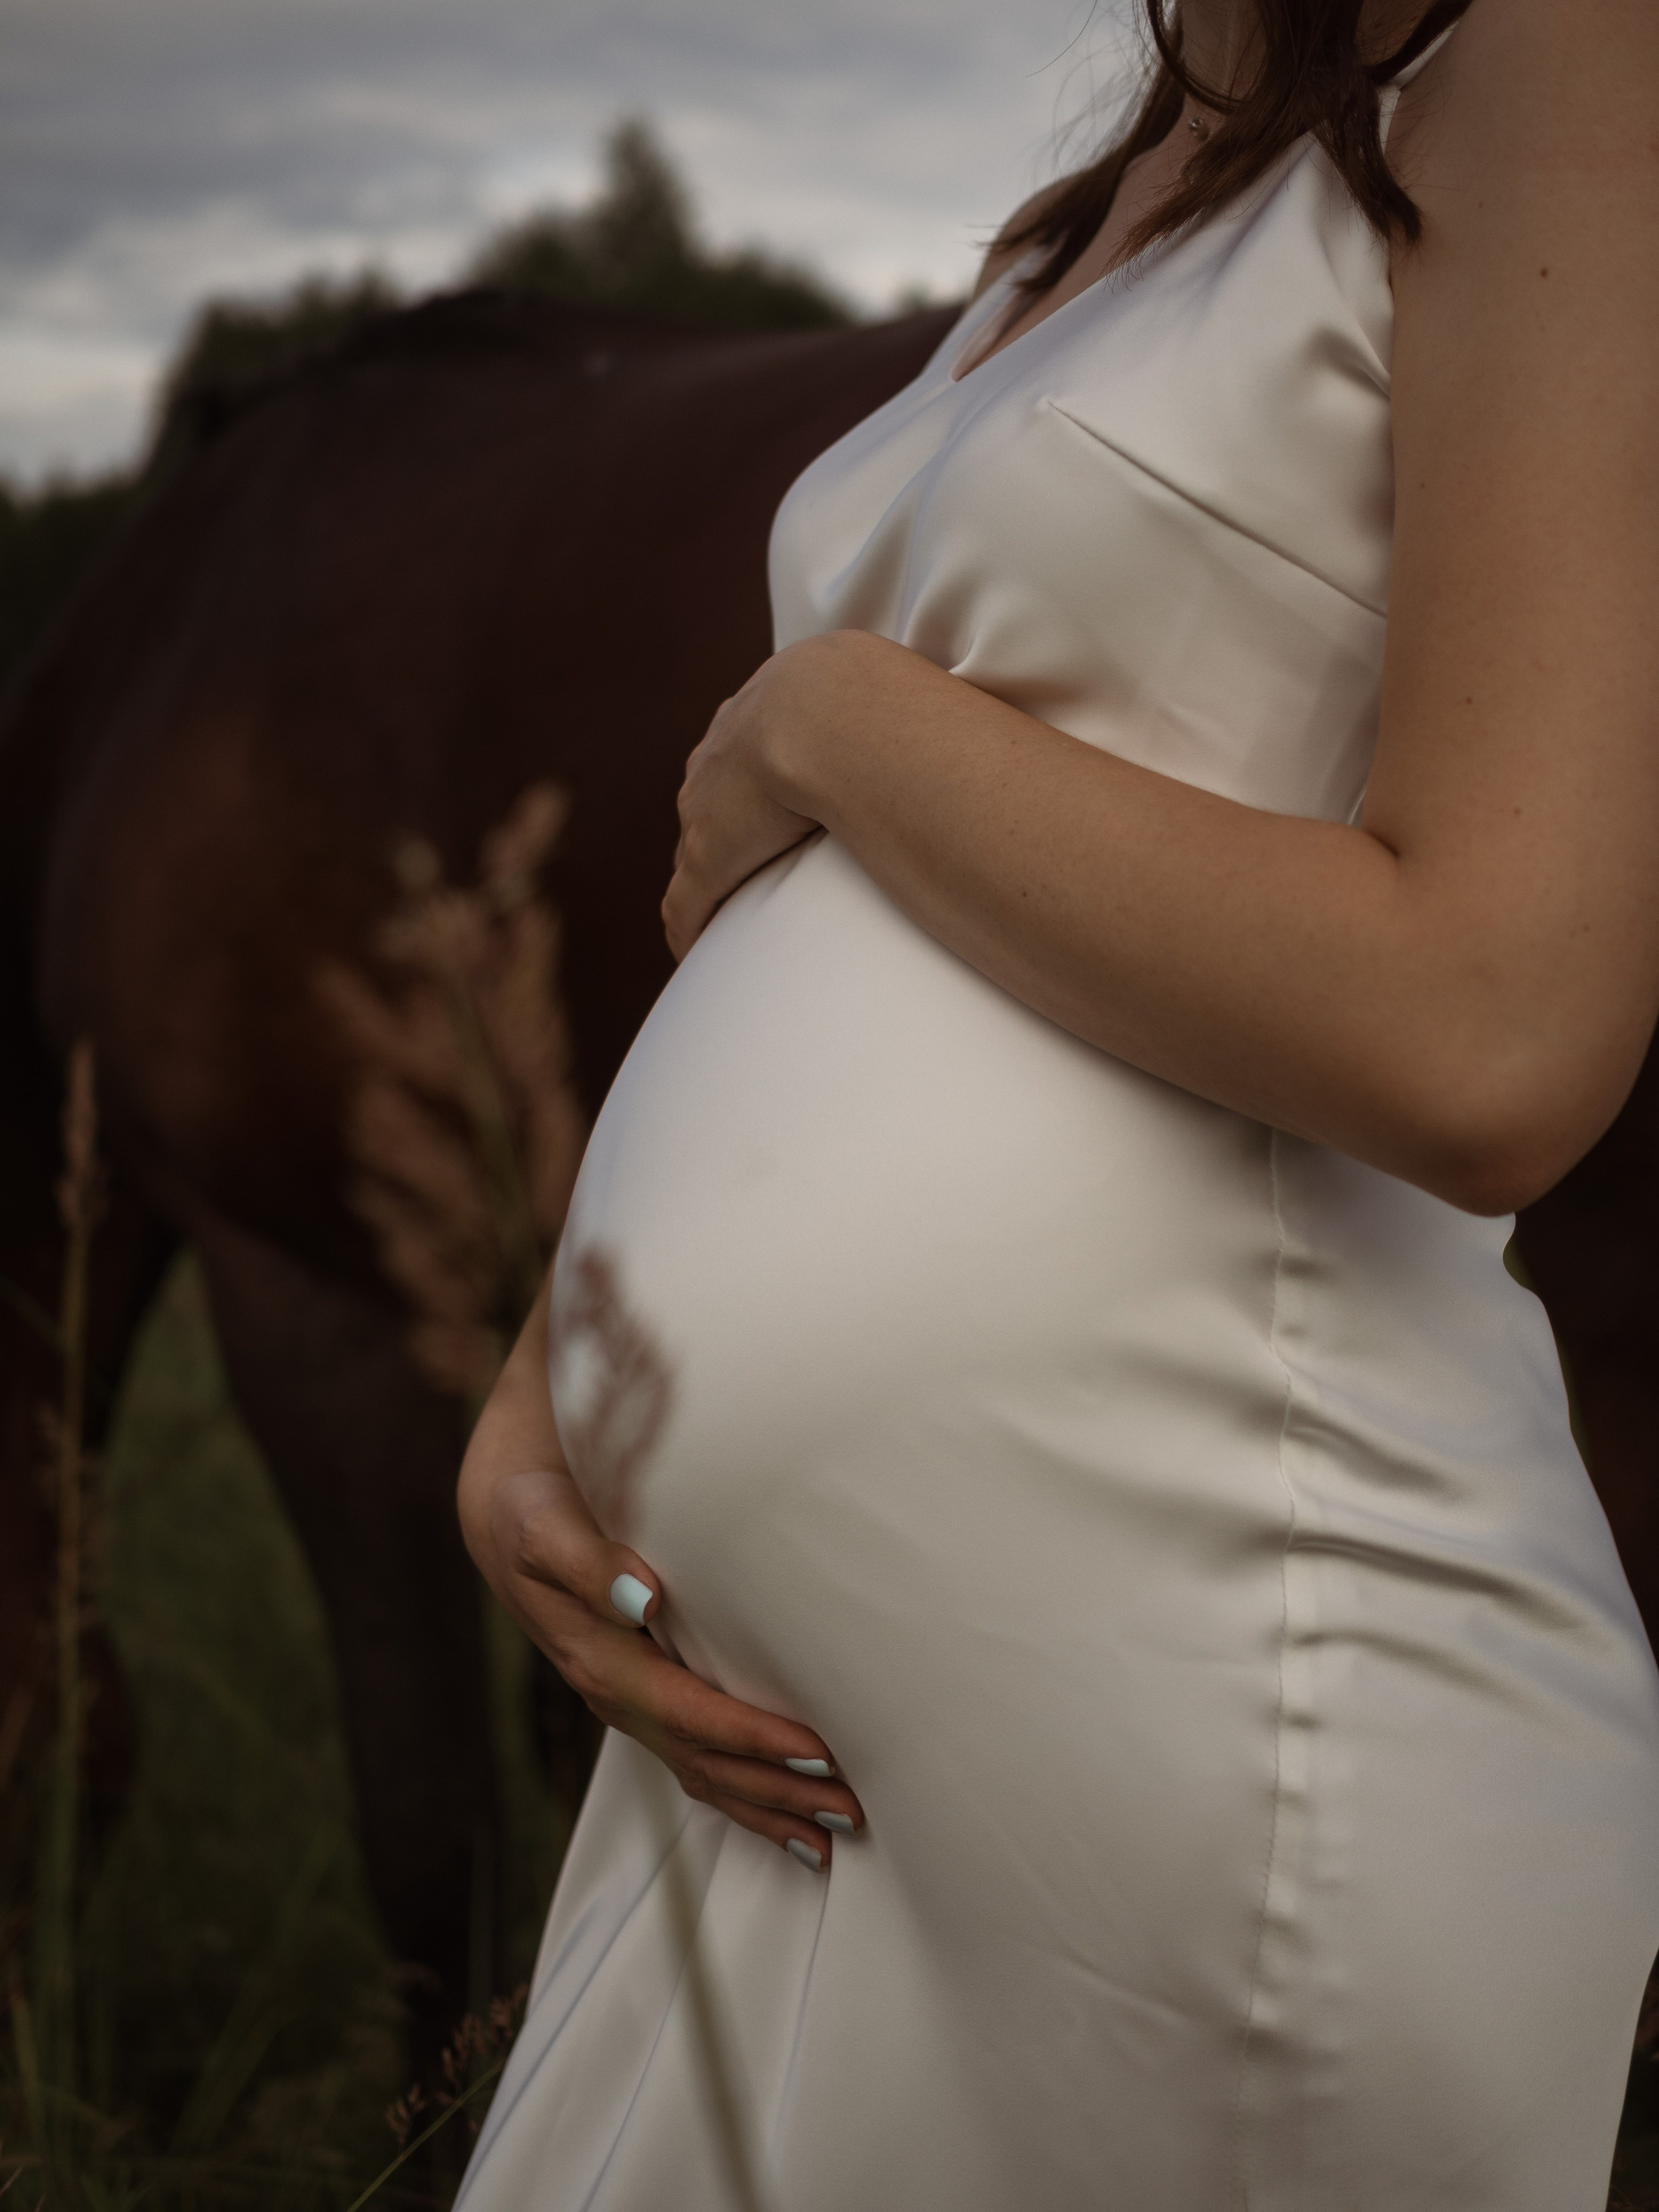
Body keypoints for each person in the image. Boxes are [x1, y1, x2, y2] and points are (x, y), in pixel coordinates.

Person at [454, 1, 1659, 2203]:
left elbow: (1500, 1031)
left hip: (1226, 1695)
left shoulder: (1553, 52)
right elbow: (883, 914)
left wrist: (830, 720)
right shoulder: (1093, 204)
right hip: (784, 1764)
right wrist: (570, 1376)